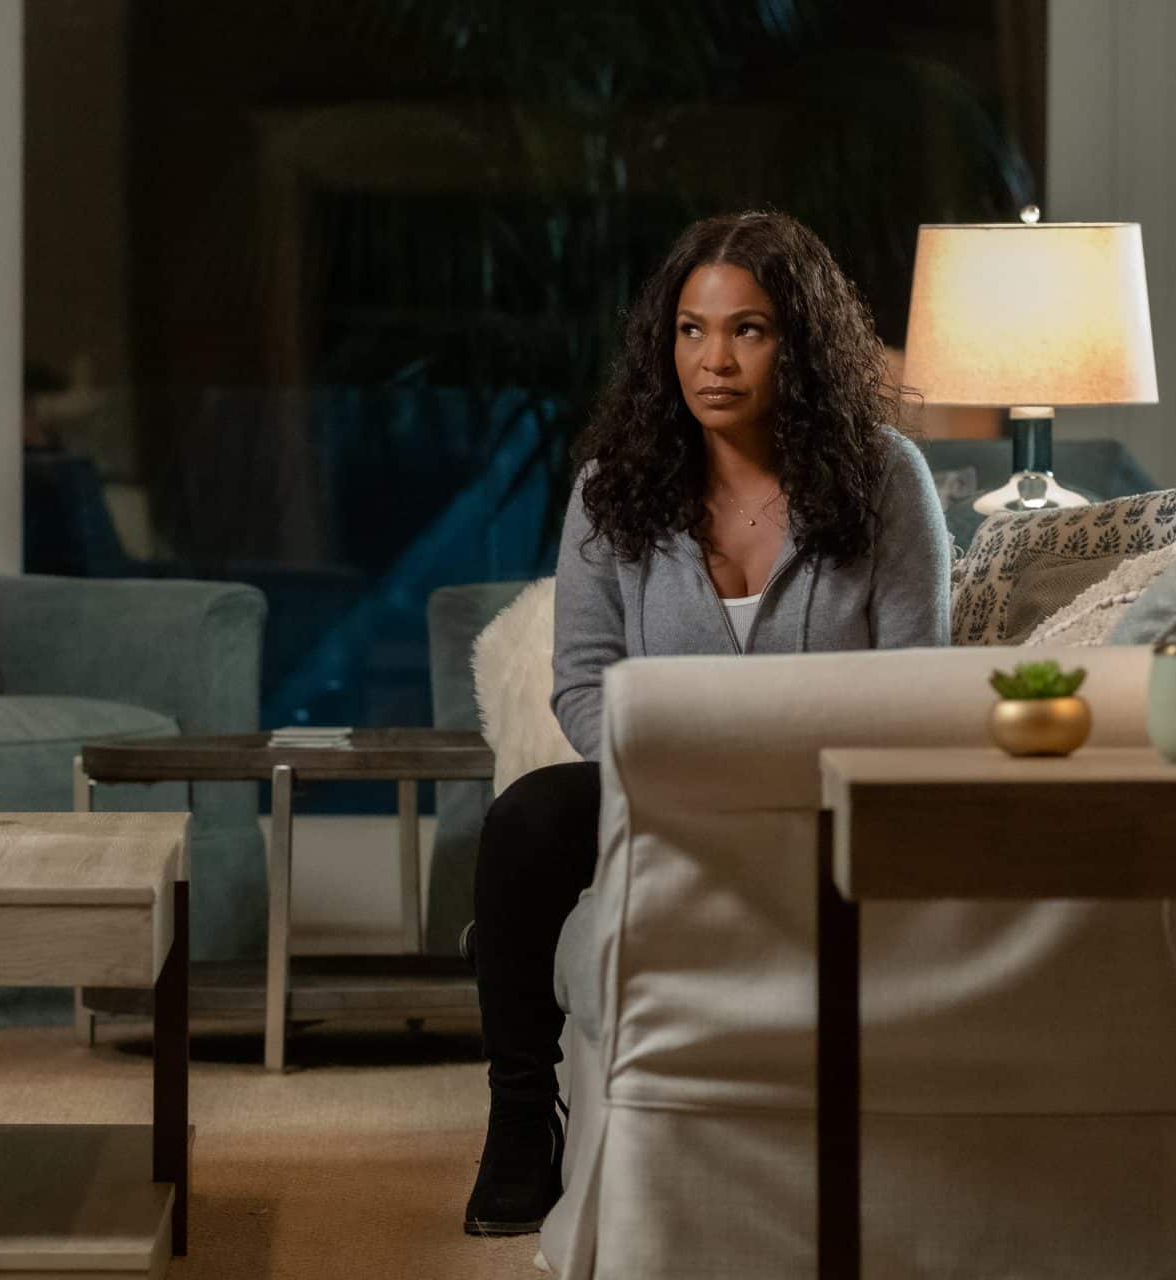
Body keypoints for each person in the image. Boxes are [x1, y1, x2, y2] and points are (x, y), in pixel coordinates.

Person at [462, 210, 951, 1236]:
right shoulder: (612, 488)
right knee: (524, 820)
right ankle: (520, 1115)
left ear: (799, 342)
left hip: (823, 797)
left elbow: (917, 682)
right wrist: (664, 779)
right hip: (660, 787)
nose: (713, 360)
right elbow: (582, 681)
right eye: (692, 329)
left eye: (748, 330)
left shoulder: (887, 479)